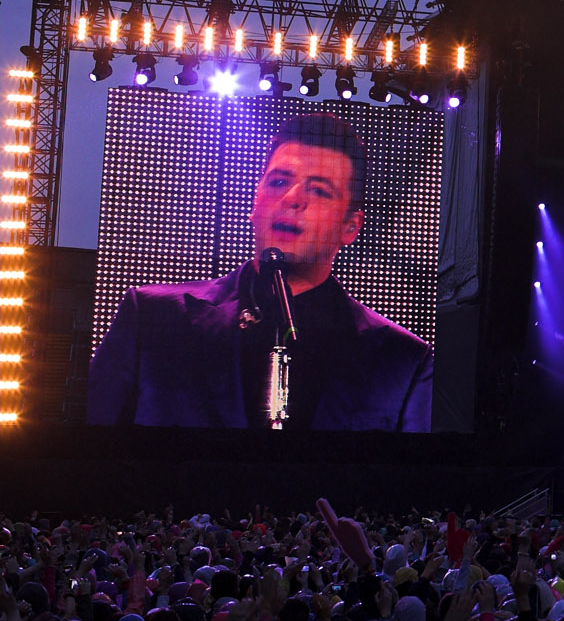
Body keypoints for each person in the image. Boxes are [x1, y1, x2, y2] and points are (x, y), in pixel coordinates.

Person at [88, 113, 433, 431]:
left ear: (350, 227)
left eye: (319, 190)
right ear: (255, 202)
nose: (293, 199)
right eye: (279, 182)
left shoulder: (403, 359)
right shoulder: (152, 317)